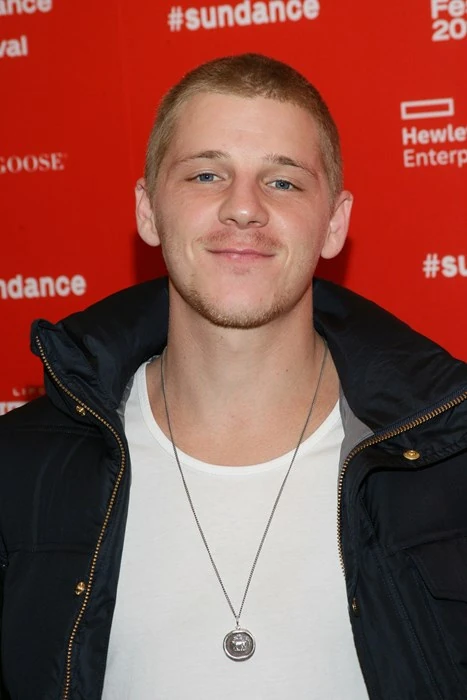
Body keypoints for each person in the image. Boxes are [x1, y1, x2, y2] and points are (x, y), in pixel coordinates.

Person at [0, 53, 466, 700]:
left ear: (333, 223)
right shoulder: (21, 467)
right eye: (205, 174)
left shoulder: (449, 462)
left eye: (283, 182)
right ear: (147, 210)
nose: (243, 209)